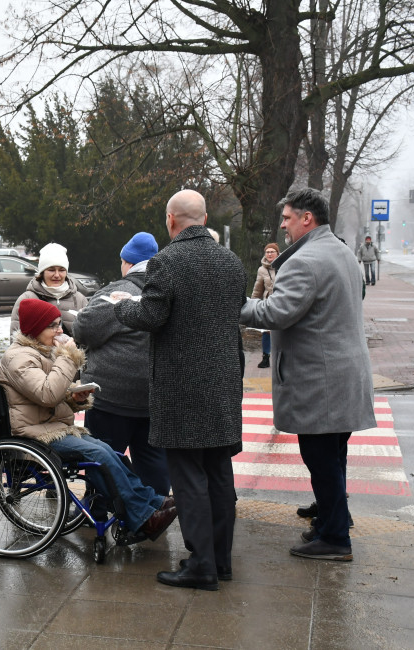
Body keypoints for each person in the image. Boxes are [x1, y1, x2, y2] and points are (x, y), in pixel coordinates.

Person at [114, 189, 246, 591]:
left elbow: (151, 315)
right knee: (219, 474)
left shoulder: (167, 261)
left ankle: (201, 565)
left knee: (188, 478)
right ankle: (220, 561)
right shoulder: (231, 261)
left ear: (171, 220)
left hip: (182, 389)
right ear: (204, 219)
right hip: (224, 384)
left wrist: (122, 305)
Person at [242, 187, 376, 561]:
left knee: (320, 458)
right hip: (344, 375)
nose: (283, 225)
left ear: (307, 218)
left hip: (321, 380)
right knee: (333, 456)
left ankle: (335, 538)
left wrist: (234, 304)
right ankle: (332, 519)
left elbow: (274, 313)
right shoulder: (341, 252)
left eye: (287, 218)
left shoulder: (305, 261)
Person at [0, 298, 178, 539]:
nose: (60, 330)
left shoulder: (39, 353)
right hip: (35, 434)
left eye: (59, 324)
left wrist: (75, 397)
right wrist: (67, 357)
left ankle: (152, 502)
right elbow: (48, 394)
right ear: (35, 328)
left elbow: (50, 395)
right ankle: (142, 516)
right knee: (98, 455)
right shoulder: (19, 358)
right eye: (53, 325)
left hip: (49, 427)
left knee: (108, 451)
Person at [73, 232, 170, 497]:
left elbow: (83, 329)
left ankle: (100, 509)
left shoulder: (117, 292)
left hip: (112, 397)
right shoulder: (168, 291)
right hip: (155, 395)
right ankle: (155, 509)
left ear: (127, 262)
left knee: (104, 459)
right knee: (153, 461)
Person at [10, 242, 88, 336]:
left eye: (61, 270)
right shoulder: (26, 299)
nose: (57, 275)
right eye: (51, 270)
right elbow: (17, 339)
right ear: (42, 272)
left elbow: (89, 338)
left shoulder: (80, 300)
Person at [252, 242, 279, 369]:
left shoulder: (284, 265)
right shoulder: (261, 270)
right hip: (268, 303)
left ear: (277, 253)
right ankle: (265, 357)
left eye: (272, 252)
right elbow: (258, 288)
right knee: (266, 331)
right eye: (267, 252)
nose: (269, 254)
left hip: (283, 301)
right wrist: (253, 304)